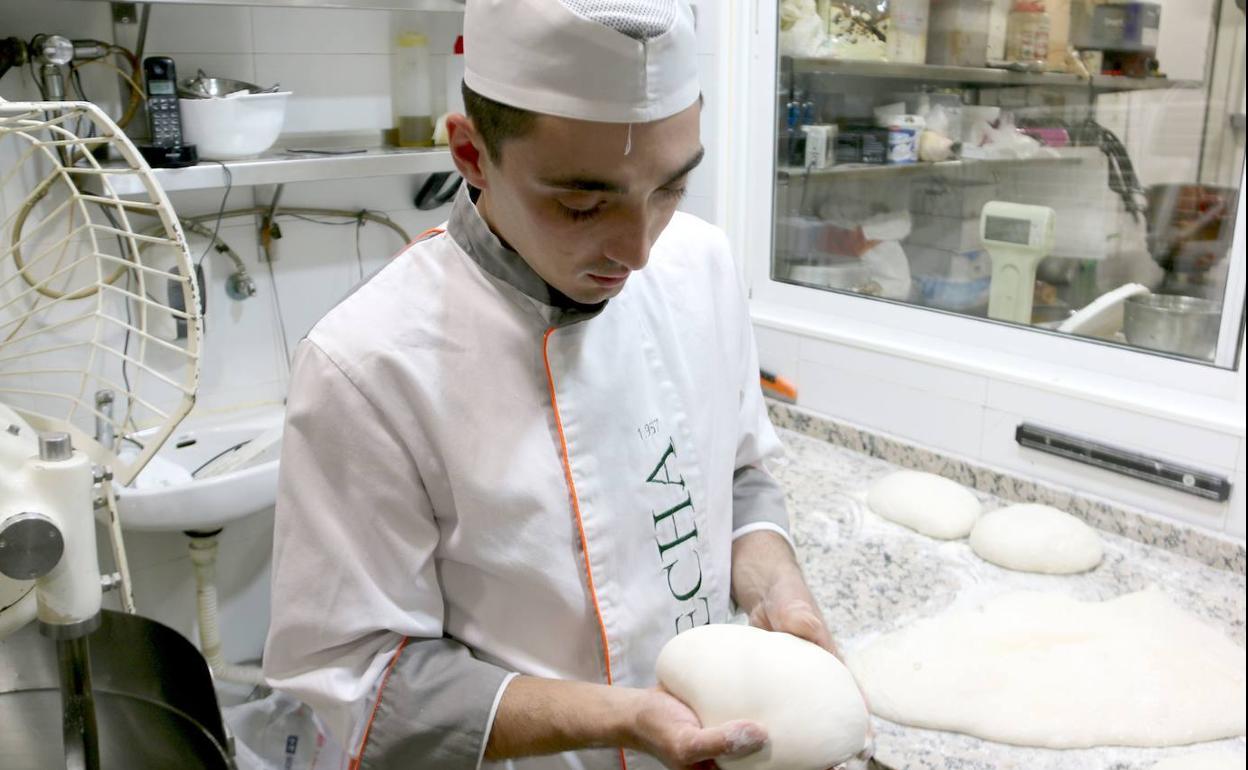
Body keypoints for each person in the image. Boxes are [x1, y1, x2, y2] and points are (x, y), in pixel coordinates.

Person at [263, 2, 838, 768]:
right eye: (581, 203)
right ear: (470, 154)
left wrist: (778, 592)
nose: (637, 250)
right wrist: (622, 719)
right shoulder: (368, 366)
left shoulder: (700, 264)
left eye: (671, 189)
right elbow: (359, 679)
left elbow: (735, 477)